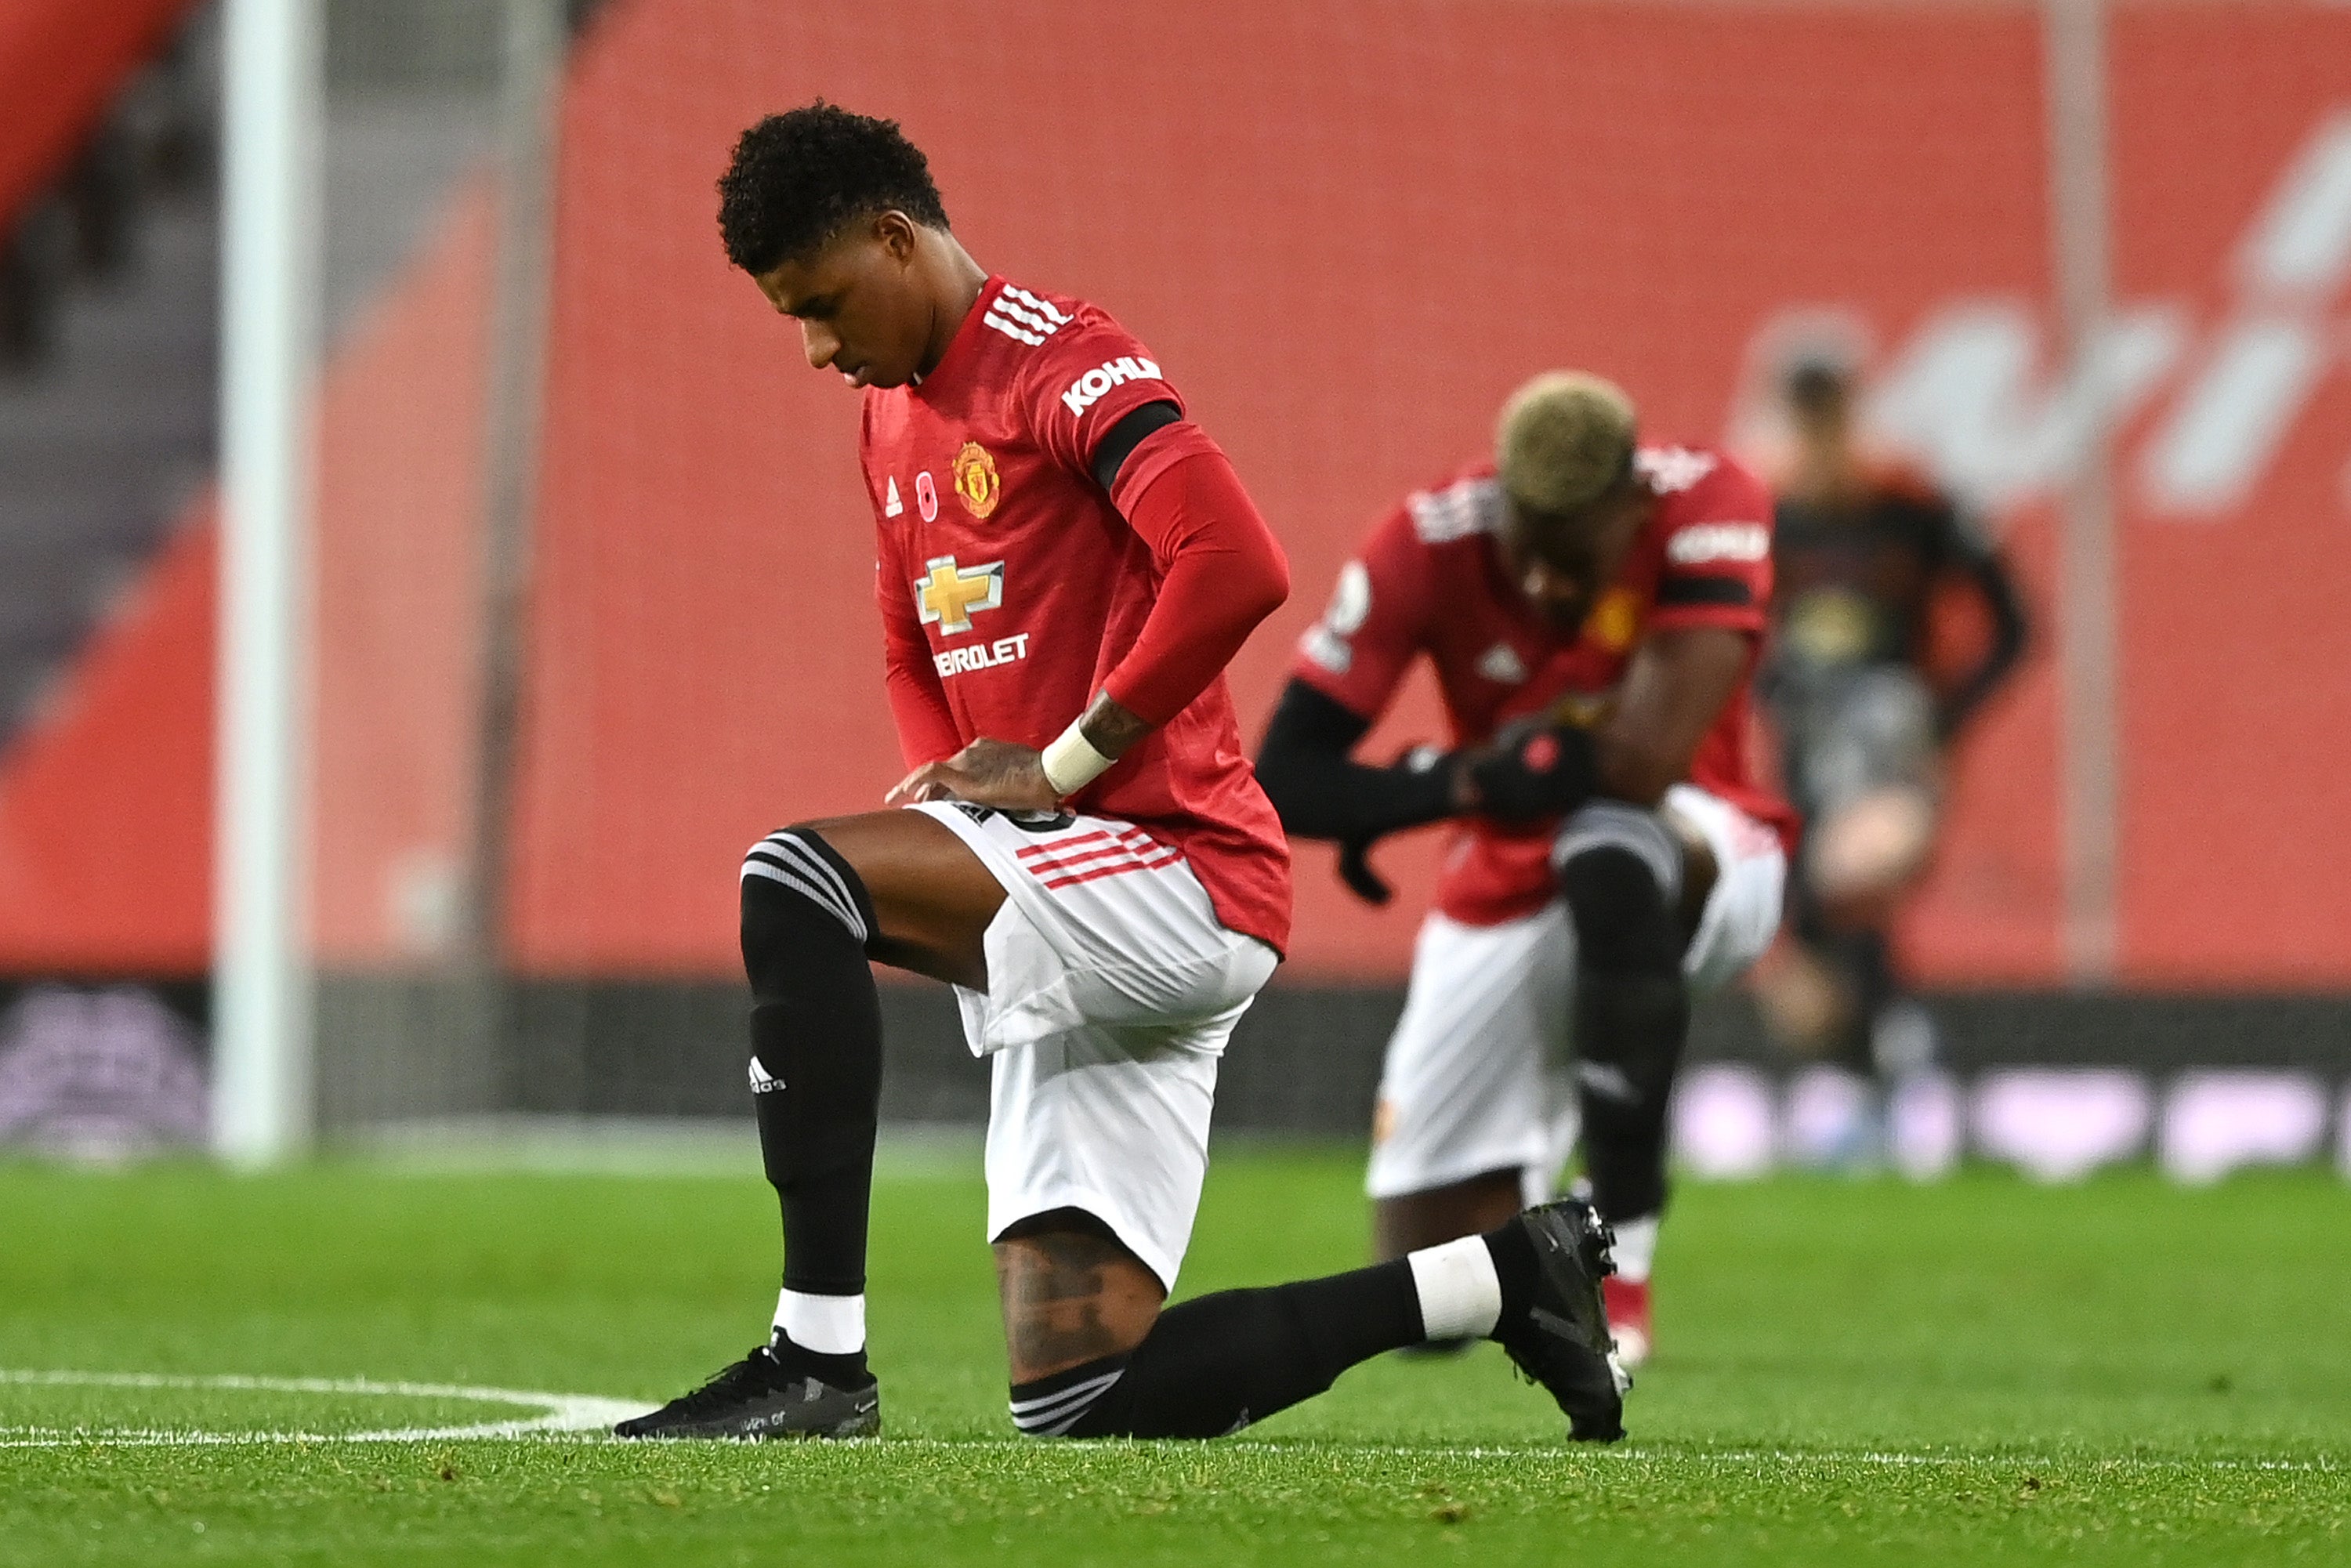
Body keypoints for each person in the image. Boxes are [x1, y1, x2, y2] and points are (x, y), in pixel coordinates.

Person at [614, 103, 1626, 1444]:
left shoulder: (1062, 363)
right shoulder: (890, 421)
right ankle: (1503, 1276)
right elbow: (909, 640)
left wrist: (1065, 758)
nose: (814, 349)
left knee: (794, 880)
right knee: (1087, 1391)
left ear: (894, 237)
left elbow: (1238, 563)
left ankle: (818, 1363)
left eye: (823, 303)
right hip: (1074, 889)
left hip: (1177, 867)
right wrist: (960, 787)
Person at [1255, 372, 1795, 1368]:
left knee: (1609, 846)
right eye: (1527, 557)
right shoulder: (1428, 541)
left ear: (1632, 513)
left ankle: (1625, 1245)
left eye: (1572, 563)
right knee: (1430, 1282)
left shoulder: (1710, 503)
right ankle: (1553, 1227)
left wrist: (1440, 784)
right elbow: (1284, 777)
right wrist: (1466, 783)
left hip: (1702, 844)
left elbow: (1638, 763)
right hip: (1508, 872)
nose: (1545, 588)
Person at [1748, 353, 2029, 1130]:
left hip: (1890, 752)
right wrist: (1766, 695)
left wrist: (1943, 719)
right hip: (1809, 758)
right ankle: (1885, 1075)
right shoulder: (1772, 522)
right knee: (1808, 959)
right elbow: (1731, 636)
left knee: (1846, 887)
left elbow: (2014, 624)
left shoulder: (1911, 513)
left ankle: (1893, 1079)